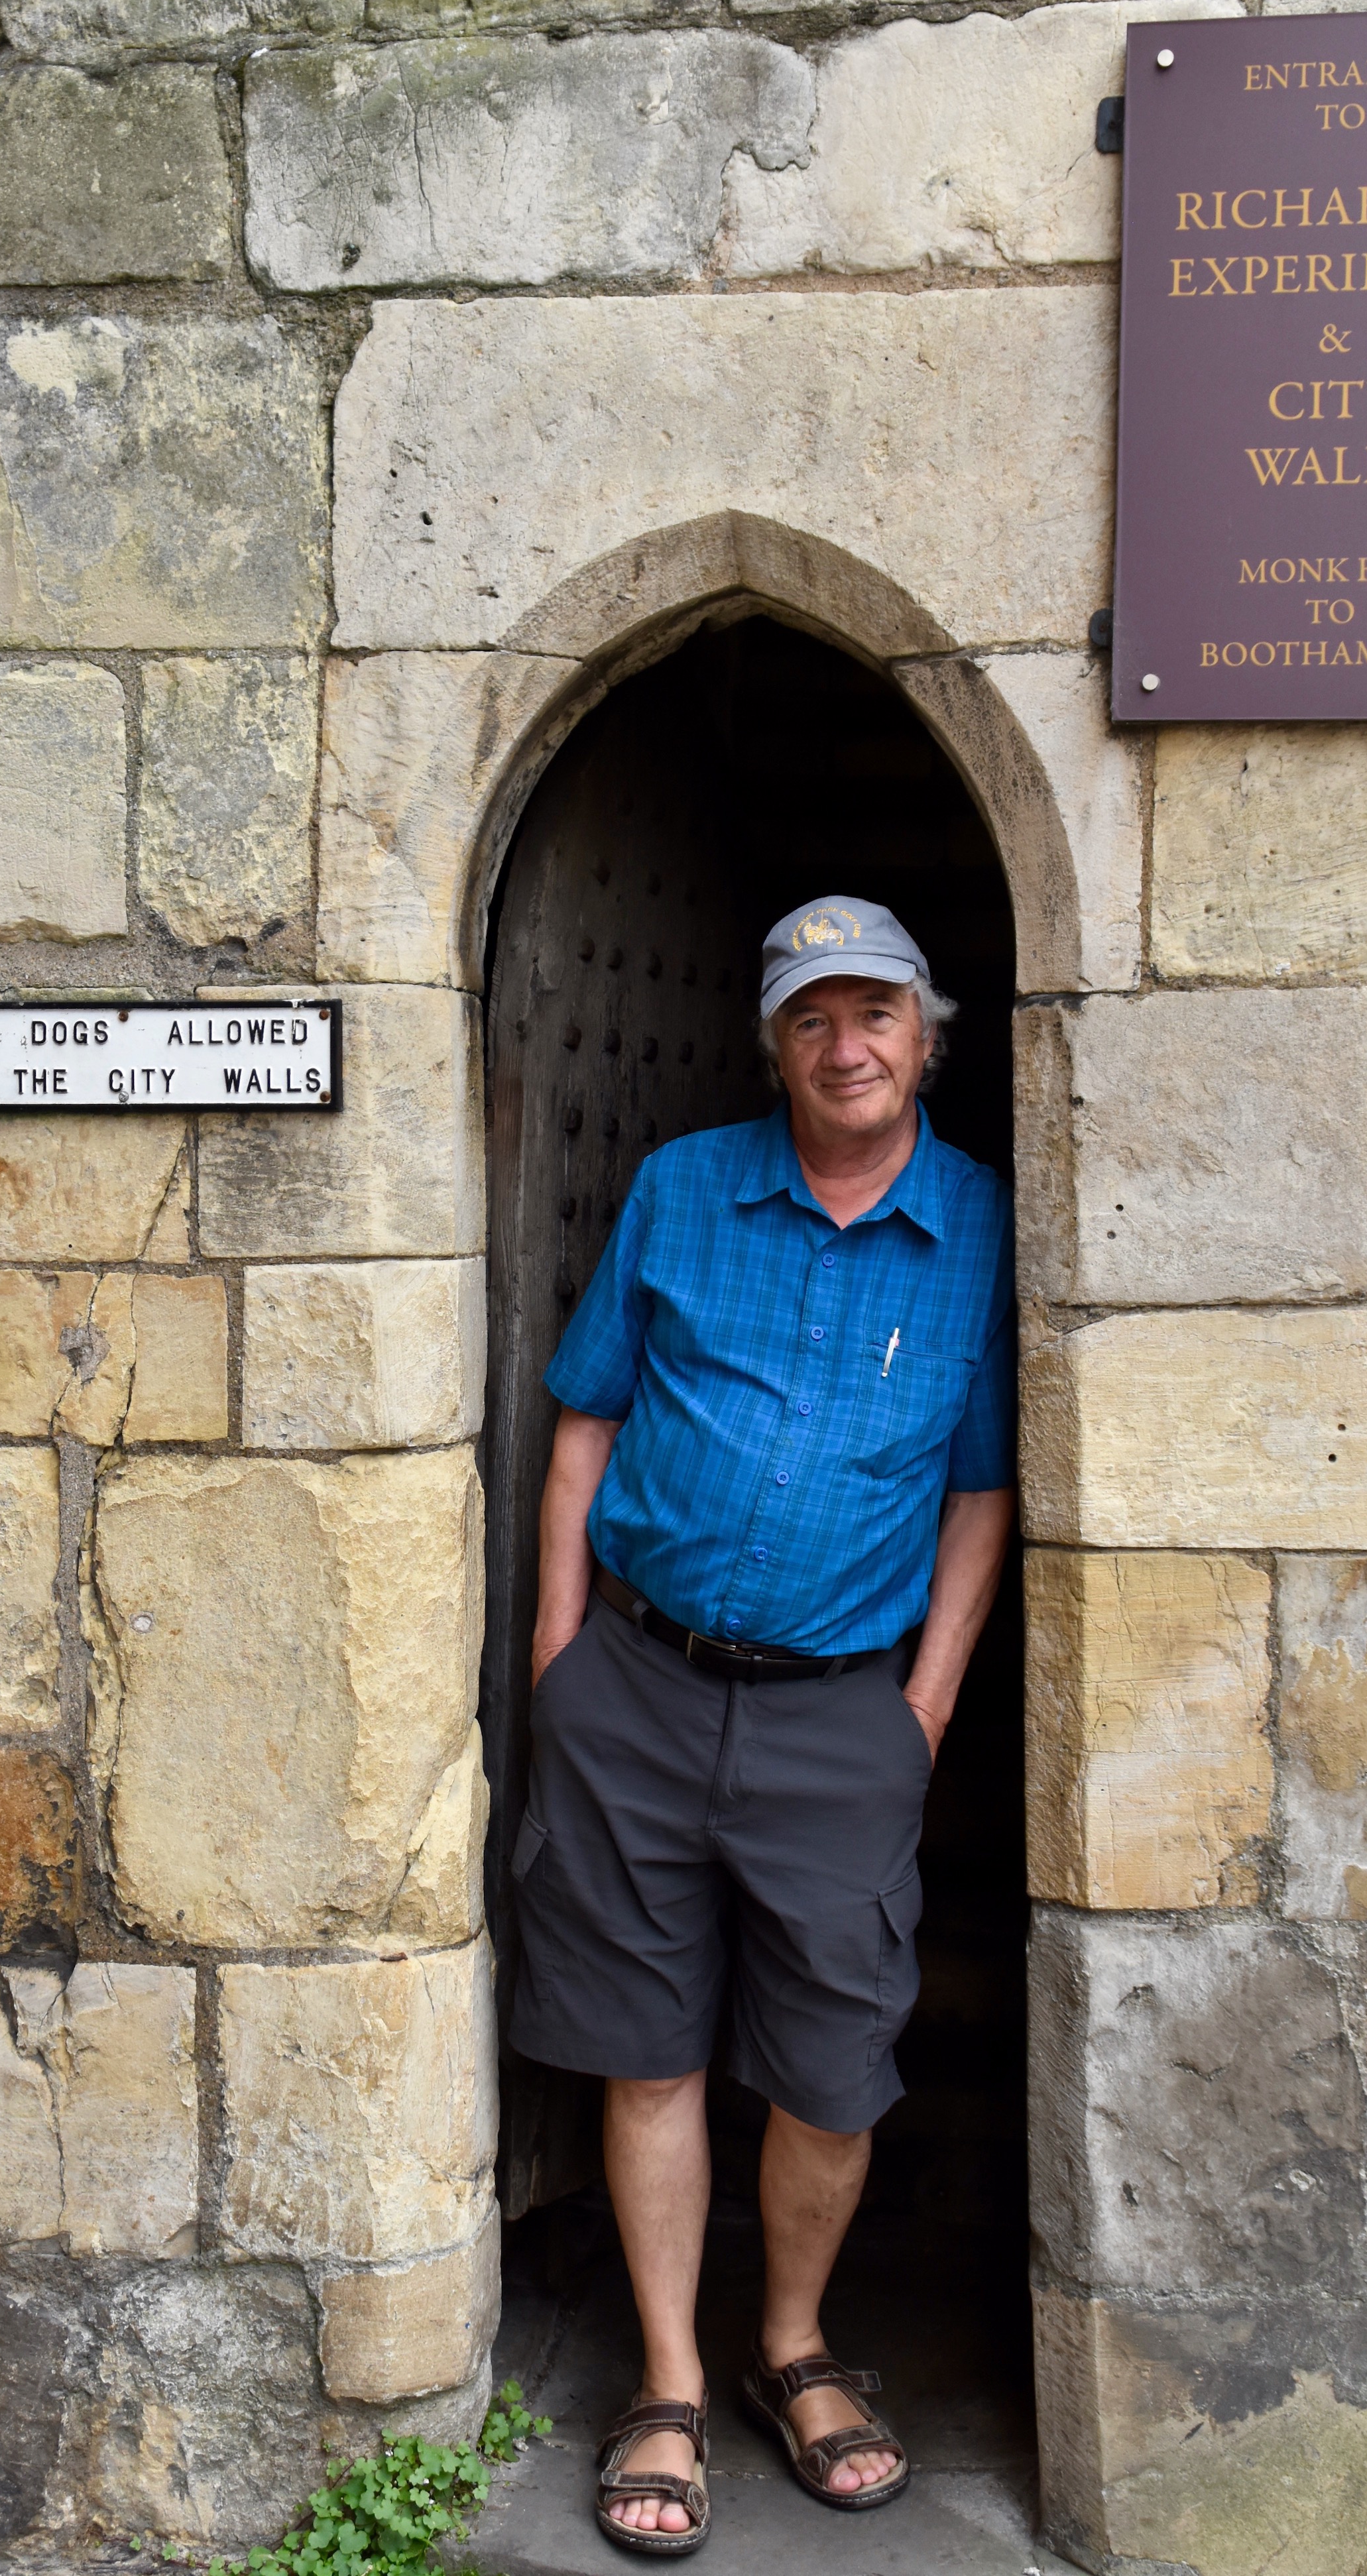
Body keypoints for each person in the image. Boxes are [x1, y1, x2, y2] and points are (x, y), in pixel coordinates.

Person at [508, 896, 1014, 2557]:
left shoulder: (983, 1226)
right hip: (635, 1688)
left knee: (833, 2065)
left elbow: (978, 1495)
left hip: (838, 1717)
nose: (845, 1044)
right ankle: (663, 2374)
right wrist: (558, 1655)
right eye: (811, 1017)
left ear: (925, 1035)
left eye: (874, 1012)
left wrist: (923, 1709)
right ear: (774, 1043)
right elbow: (582, 1419)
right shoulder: (679, 1187)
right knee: (646, 2040)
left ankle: (787, 2340)